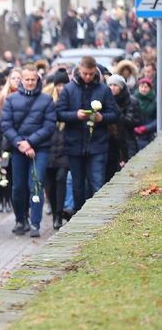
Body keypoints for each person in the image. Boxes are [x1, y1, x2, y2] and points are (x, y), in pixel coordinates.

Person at [56, 56, 118, 214]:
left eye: (91, 74)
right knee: (77, 185)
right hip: (74, 144)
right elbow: (59, 113)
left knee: (97, 183)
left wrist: (102, 118)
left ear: (95, 72)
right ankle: (78, 215)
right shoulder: (69, 89)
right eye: (85, 74)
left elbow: (115, 114)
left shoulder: (103, 89)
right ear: (79, 70)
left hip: (97, 144)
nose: (88, 77)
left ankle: (98, 216)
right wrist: (75, 115)